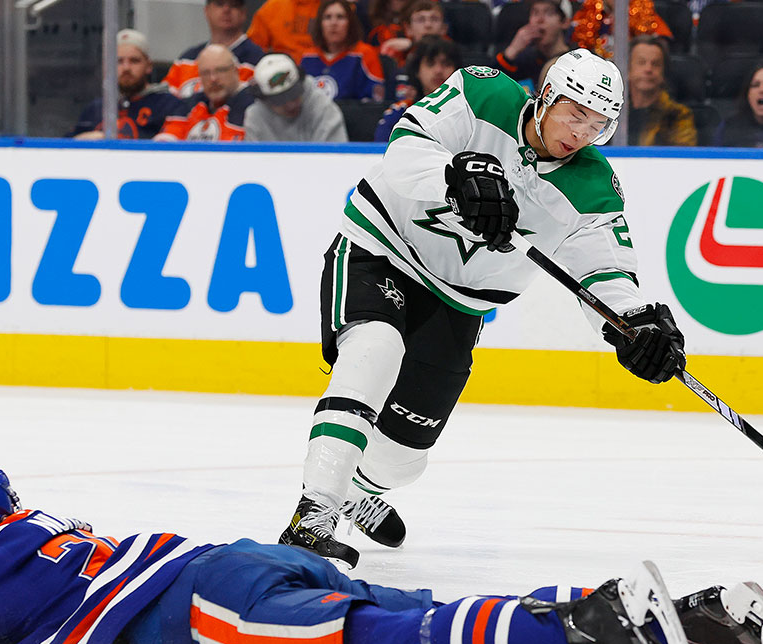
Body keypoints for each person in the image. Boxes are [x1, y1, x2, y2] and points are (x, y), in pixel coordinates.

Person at [276, 49, 686, 573]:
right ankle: (315, 513)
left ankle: (354, 487)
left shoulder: (593, 189)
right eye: (574, 113)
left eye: (598, 124)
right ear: (547, 96)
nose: (581, 132)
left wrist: (634, 325)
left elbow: (604, 274)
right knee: (375, 347)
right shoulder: (483, 92)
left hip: (459, 303)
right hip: (382, 249)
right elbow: (405, 149)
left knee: (402, 461)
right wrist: (455, 179)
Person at [0, 458, 763, 644]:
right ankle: (683, 612)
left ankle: (587, 632)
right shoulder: (50, 530)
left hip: (194, 616)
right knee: (428, 613)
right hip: (232, 567)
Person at [70, 29, 184, 140]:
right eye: (119, 61)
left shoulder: (169, 105)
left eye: (134, 61)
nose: (126, 68)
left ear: (149, 66)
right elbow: (65, 148)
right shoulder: (96, 108)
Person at [163, 0, 265, 99]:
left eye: (234, 5)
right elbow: (165, 102)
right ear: (207, 10)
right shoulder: (186, 60)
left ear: (243, 13)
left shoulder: (259, 61)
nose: (226, 10)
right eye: (219, 4)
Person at [158, 44, 255, 141]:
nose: (213, 79)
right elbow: (164, 143)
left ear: (236, 71)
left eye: (220, 70)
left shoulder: (253, 105)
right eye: (205, 73)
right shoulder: (189, 105)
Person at [244, 52, 350, 141]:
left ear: (301, 83)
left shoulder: (323, 107)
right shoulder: (254, 117)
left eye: (294, 95)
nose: (290, 105)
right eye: (280, 100)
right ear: (265, 99)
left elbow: (334, 159)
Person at [374, 37, 462, 141]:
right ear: (417, 71)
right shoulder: (400, 113)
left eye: (446, 64)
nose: (438, 70)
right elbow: (381, 151)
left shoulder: (467, 113)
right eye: (430, 64)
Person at [301, 0, 386, 101]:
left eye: (340, 17)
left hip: (354, 116)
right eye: (327, 17)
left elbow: (376, 102)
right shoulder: (308, 56)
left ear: (350, 23)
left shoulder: (365, 54)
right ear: (320, 24)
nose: (333, 23)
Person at [621, 35, 696, 146]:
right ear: (627, 69)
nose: (648, 69)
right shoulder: (613, 112)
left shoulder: (677, 115)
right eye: (641, 62)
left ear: (664, 73)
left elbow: (681, 158)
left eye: (655, 64)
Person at [496, 0, 575, 93]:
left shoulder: (574, 61)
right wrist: (512, 50)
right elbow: (492, 85)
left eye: (548, 13)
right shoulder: (525, 59)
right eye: (535, 12)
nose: (540, 20)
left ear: (565, 22)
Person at [378, 0, 448, 68]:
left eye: (434, 19)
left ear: (444, 28)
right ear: (408, 29)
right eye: (421, 19)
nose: (428, 25)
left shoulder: (454, 56)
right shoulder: (397, 54)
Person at [248, 0, 323, 61]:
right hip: (281, 70)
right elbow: (253, 49)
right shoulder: (272, 7)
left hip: (322, 68)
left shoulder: (329, 7)